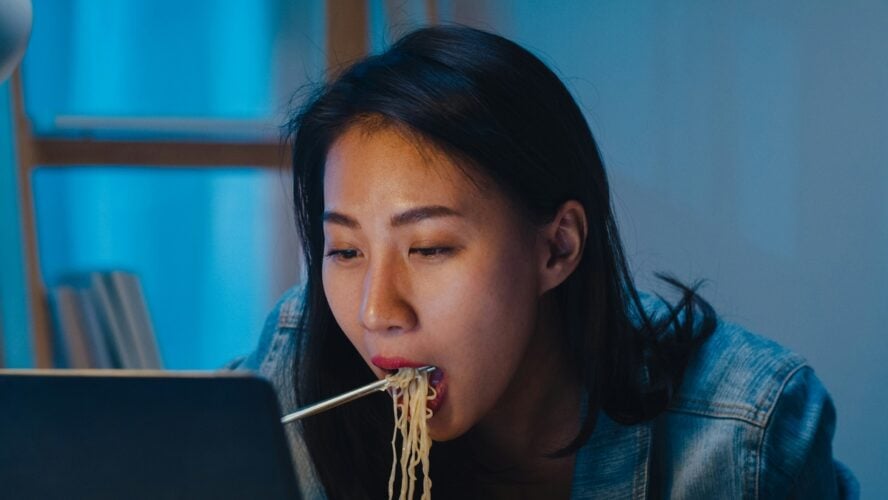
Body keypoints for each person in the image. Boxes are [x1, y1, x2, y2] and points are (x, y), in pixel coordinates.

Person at [229, 25, 857, 499]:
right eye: (344, 251)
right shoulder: (298, 364)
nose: (375, 311)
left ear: (557, 247)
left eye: (429, 248)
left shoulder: (741, 431)